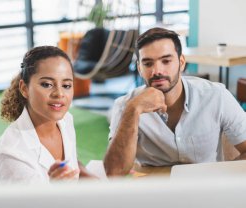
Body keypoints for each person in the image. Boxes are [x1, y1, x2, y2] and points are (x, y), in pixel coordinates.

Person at [104, 27, 246, 176]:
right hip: (153, 191)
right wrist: (132, 110)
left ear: (181, 62)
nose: (157, 71)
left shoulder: (216, 96)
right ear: (139, 68)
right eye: (147, 63)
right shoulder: (125, 106)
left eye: (166, 61)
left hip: (206, 188)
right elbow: (114, 172)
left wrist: (222, 183)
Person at [0, 46, 92, 184]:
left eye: (66, 85)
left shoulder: (66, 120)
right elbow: (28, 206)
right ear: (24, 89)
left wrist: (88, 175)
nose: (59, 93)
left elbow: (72, 163)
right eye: (47, 84)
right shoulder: (11, 152)